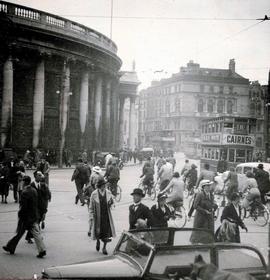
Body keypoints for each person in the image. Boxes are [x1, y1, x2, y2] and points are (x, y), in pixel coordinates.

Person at [2, 175, 46, 258]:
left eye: (22, 181)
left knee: (20, 233)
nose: (21, 183)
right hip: (34, 215)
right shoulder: (34, 190)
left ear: (24, 182)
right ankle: (42, 250)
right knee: (35, 233)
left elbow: (23, 207)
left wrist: (21, 215)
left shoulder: (25, 192)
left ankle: (10, 247)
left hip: (26, 217)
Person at [88, 178, 116, 255]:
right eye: (103, 185)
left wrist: (111, 203)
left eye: (105, 185)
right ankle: (98, 241)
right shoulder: (94, 194)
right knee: (98, 232)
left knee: (106, 233)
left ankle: (104, 248)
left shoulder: (109, 193)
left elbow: (113, 204)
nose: (104, 187)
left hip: (106, 216)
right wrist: (91, 216)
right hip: (97, 216)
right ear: (99, 186)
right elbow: (90, 207)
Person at [190, 180, 217, 244]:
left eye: (209, 186)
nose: (209, 187)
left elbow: (212, 204)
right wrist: (204, 211)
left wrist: (214, 211)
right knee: (199, 230)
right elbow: (195, 205)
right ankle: (196, 244)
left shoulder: (211, 195)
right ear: (203, 187)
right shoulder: (200, 194)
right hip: (200, 216)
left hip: (209, 216)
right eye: (207, 186)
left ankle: (207, 244)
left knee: (209, 230)